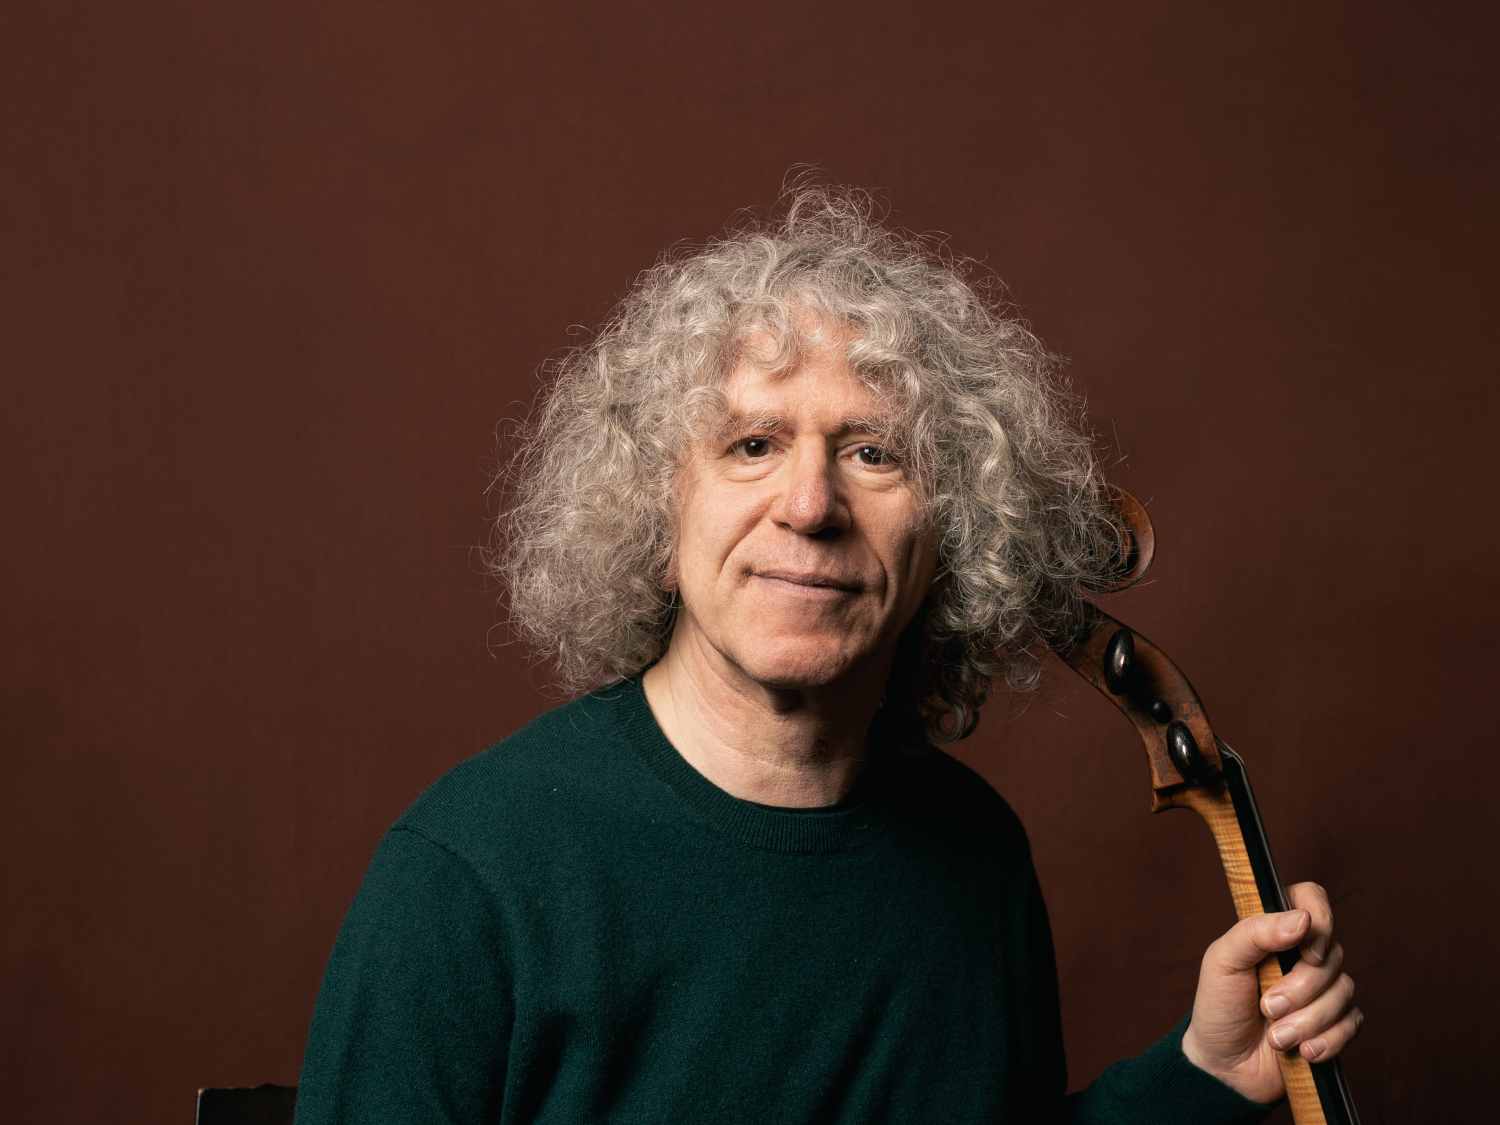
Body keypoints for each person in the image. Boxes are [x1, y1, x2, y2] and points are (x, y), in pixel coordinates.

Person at [293, 187, 1360, 1124]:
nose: (810, 505)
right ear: (659, 517)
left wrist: (1204, 1074)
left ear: (953, 533)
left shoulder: (977, 855)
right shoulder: (473, 873)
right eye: (752, 445)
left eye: (872, 452)